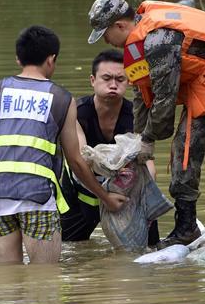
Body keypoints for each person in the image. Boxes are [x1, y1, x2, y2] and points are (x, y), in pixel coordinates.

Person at [87, 0, 205, 249]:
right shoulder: (136, 44)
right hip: (204, 83)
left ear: (119, 25)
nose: (106, 41)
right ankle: (186, 226)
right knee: (182, 152)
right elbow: (142, 94)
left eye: (105, 34)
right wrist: (137, 139)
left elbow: (164, 100)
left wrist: (149, 139)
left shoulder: (158, 40)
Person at [0, 26, 127, 264]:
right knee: (45, 278)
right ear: (51, 59)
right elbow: (76, 162)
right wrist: (105, 197)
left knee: (7, 275)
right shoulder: (62, 99)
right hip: (38, 197)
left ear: (18, 58)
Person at [60, 49, 160, 245]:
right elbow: (80, 161)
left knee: (150, 249)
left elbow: (147, 164)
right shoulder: (77, 112)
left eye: (120, 79)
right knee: (69, 248)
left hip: (126, 191)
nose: (113, 85)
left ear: (129, 82)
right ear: (92, 80)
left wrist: (141, 197)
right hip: (81, 191)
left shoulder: (137, 115)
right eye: (106, 78)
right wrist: (105, 197)